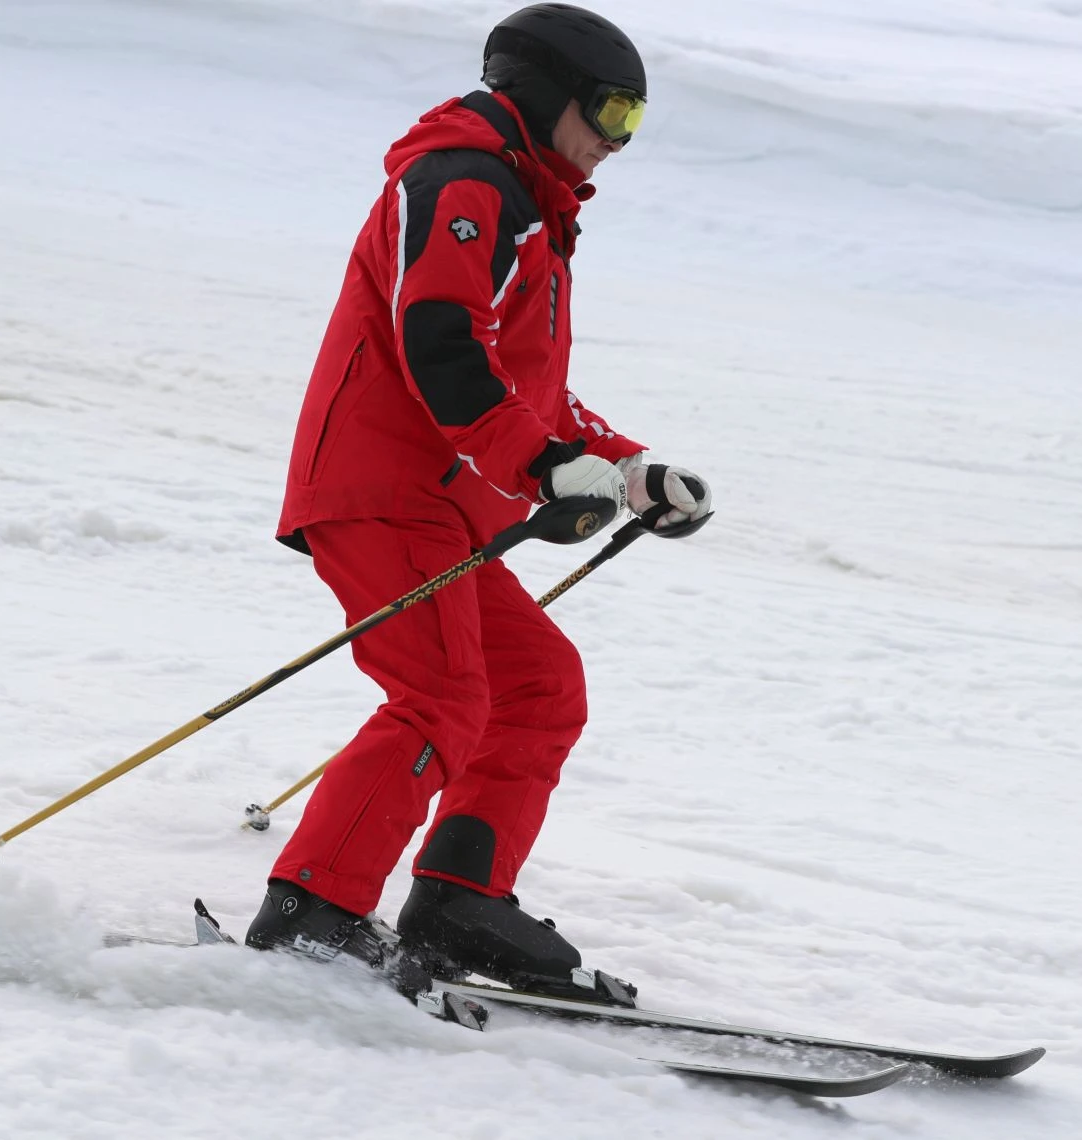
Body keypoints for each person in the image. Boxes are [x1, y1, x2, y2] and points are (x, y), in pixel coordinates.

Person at [244, 4, 711, 990]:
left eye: (636, 120)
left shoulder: (530, 205)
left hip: (444, 505)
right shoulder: (462, 179)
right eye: (610, 112)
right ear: (546, 96)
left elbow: (530, 389)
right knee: (442, 696)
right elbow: (441, 345)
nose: (616, 141)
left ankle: (460, 903)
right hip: (382, 489)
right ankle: (312, 911)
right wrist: (542, 471)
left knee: (538, 689)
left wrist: (629, 472)